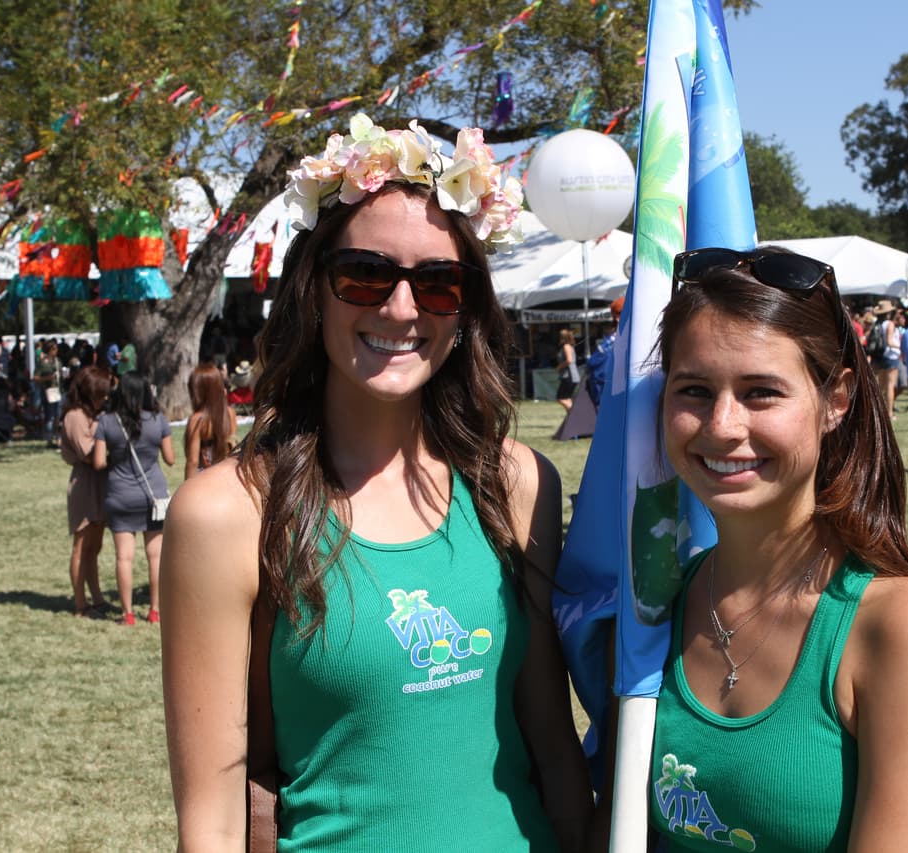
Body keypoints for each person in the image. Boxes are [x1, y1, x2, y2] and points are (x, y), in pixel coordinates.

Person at [160, 114, 592, 850]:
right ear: (313, 290)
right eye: (364, 274)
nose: (400, 308)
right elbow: (211, 819)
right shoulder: (226, 513)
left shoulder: (516, 484)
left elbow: (552, 744)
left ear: (467, 307)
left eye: (437, 283)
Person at [642, 246, 908, 850]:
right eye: (693, 389)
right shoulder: (662, 601)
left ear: (837, 400)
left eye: (761, 392)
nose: (722, 425)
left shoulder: (905, 625)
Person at [92, 372, 173, 626]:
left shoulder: (106, 421)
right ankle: (155, 610)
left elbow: (98, 462)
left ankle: (127, 613)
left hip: (120, 494)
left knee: (123, 557)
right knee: (156, 556)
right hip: (152, 495)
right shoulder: (158, 420)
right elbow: (170, 458)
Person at [61, 366, 112, 617]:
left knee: (95, 545)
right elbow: (88, 452)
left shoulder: (96, 414)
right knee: (81, 544)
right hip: (84, 484)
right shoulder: (75, 416)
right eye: (101, 393)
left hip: (100, 482)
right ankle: (81, 603)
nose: (104, 398)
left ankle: (98, 597)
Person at [183, 361, 237, 481]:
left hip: (204, 479)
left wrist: (186, 487)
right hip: (227, 476)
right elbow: (232, 446)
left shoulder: (197, 420)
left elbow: (193, 461)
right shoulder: (230, 413)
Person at [872, 304, 903, 420]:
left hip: (882, 356)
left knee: (881, 385)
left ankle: (877, 411)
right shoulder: (890, 324)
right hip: (891, 356)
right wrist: (900, 347)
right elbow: (890, 341)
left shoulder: (878, 324)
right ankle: (889, 413)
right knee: (890, 385)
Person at [556, 327, 579, 411]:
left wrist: (559, 367)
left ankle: (574, 413)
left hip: (569, 376)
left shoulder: (566, 346)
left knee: (560, 398)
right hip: (572, 376)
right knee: (567, 398)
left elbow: (569, 360)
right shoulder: (570, 346)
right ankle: (570, 418)